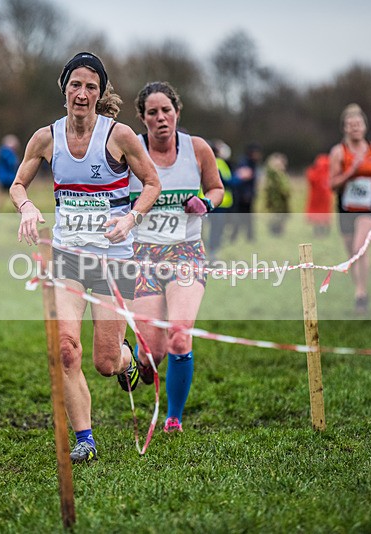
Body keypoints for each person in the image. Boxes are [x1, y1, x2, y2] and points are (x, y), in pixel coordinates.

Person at [10, 52, 160, 462]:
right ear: (64, 90)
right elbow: (18, 184)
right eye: (75, 84)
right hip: (68, 258)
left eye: (91, 86)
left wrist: (131, 218)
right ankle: (85, 439)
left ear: (100, 93)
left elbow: (151, 183)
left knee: (105, 362)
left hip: (113, 259)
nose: (82, 93)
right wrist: (26, 207)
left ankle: (128, 360)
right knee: (66, 348)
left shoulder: (120, 136)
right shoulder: (46, 137)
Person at [128, 82, 224, 433]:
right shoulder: (130, 150)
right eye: (152, 112)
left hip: (187, 252)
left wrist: (207, 203)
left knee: (180, 336)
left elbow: (216, 188)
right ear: (142, 118)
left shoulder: (197, 149)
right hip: (142, 256)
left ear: (177, 112)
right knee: (151, 353)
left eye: (166, 110)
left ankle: (173, 417)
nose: (161, 118)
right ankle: (138, 363)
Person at [328, 104, 371, 314]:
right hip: (346, 208)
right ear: (344, 128)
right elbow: (332, 184)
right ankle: (359, 287)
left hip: (368, 208)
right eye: (350, 124)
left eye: (358, 123)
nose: (355, 128)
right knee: (351, 254)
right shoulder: (339, 152)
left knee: (359, 247)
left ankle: (360, 294)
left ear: (365, 126)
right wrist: (351, 172)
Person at [205, 139, 235, 258]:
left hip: (222, 203)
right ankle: (212, 254)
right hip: (217, 204)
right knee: (215, 230)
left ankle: (213, 252)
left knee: (218, 230)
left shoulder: (220, 163)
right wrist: (240, 177)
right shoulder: (216, 163)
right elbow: (225, 182)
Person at [229, 143, 262, 243]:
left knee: (248, 218)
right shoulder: (245, 163)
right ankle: (236, 237)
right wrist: (245, 194)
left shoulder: (252, 163)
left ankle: (248, 236)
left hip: (249, 195)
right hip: (242, 196)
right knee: (241, 217)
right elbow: (242, 179)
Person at [263, 152, 291, 236]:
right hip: (276, 201)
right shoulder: (274, 176)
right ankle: (275, 231)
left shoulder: (280, 175)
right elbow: (281, 188)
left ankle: (278, 231)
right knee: (276, 216)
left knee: (281, 217)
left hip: (281, 201)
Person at [304, 153, 332, 236]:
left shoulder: (315, 172)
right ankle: (322, 229)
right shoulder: (328, 171)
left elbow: (311, 179)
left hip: (316, 198)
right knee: (323, 214)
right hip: (324, 198)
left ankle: (319, 231)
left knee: (317, 215)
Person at [0, 134, 20, 212]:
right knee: (16, 195)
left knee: (2, 195)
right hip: (8, 178)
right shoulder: (7, 153)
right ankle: (18, 211)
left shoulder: (1, 152)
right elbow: (13, 163)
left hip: (4, 177)